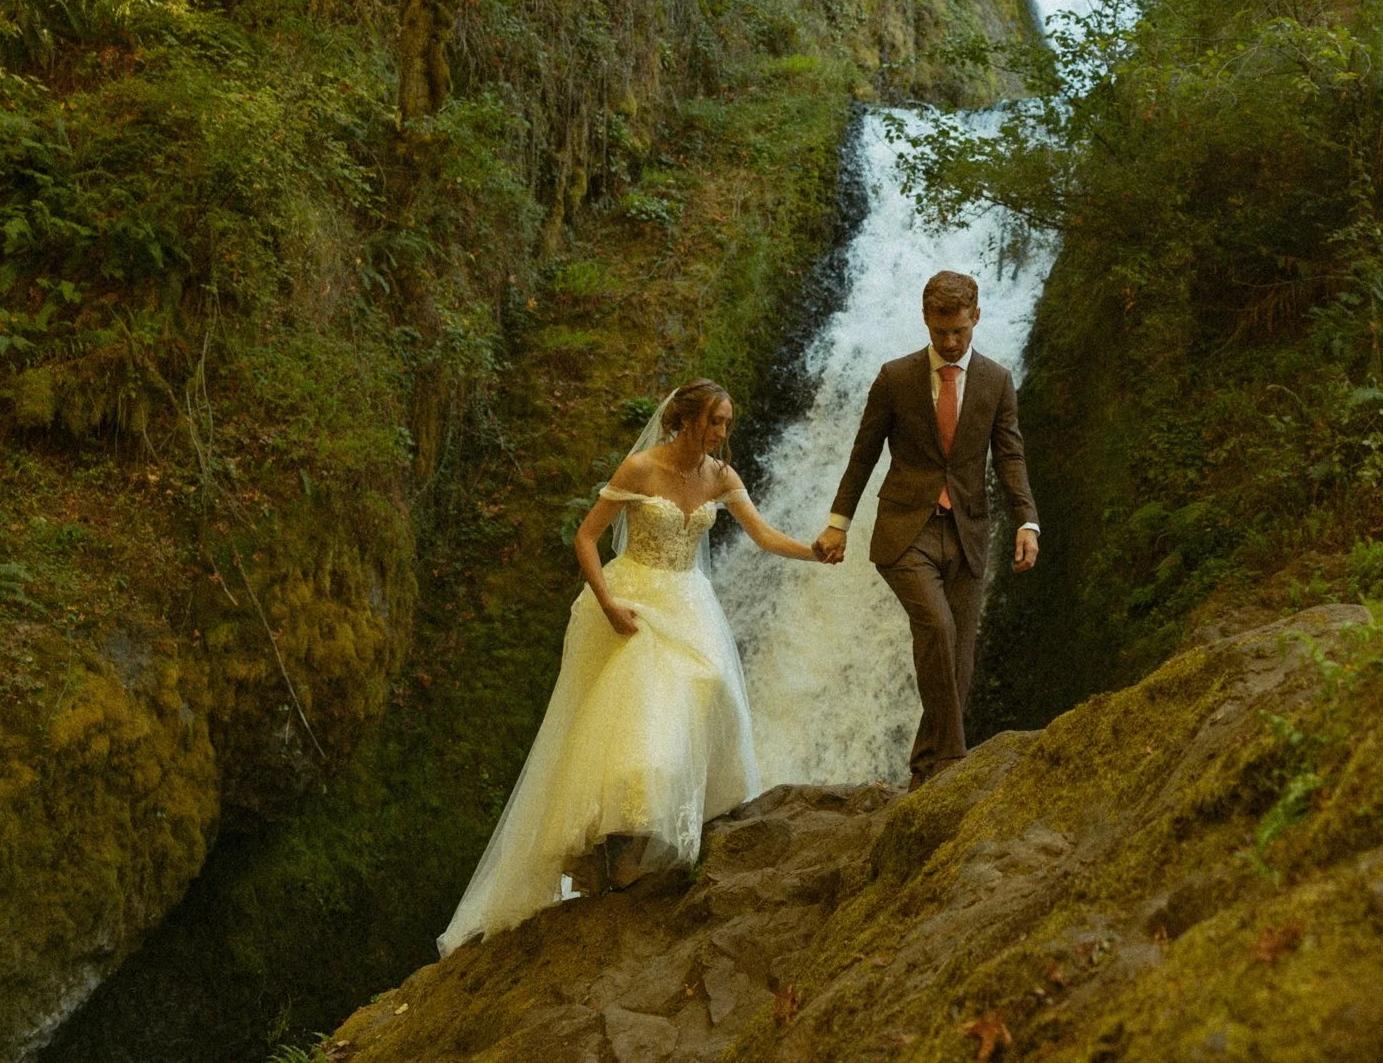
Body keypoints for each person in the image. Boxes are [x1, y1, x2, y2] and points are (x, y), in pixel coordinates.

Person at [437, 380, 819, 955]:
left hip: (690, 603)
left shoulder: (719, 476)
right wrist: (608, 602)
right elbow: (587, 537)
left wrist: (816, 551)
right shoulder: (641, 468)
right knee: (638, 714)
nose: (722, 433)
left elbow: (762, 534)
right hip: (634, 599)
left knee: (708, 687)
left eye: (727, 422)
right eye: (716, 421)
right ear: (685, 420)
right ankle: (613, 851)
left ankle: (660, 836)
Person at [812, 271, 1041, 791]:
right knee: (937, 629)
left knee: (959, 660)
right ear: (926, 320)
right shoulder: (895, 378)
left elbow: (1010, 456)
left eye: (960, 330)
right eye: (941, 332)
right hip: (905, 531)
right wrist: (837, 524)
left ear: (975, 318)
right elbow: (863, 453)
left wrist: (1027, 520)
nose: (951, 342)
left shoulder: (997, 381)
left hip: (968, 532)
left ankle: (923, 774)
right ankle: (956, 764)